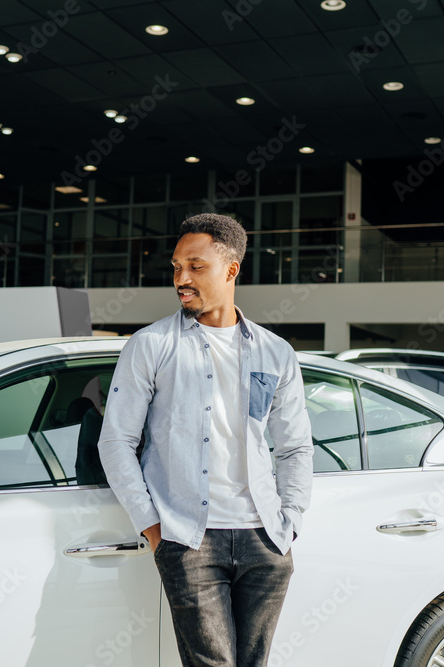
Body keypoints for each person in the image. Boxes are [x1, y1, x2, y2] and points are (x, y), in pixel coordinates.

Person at [98, 213, 314, 667]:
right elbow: (116, 441)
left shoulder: (276, 353)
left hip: (264, 539)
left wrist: (288, 521)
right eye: (177, 267)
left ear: (231, 270)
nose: (182, 279)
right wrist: (156, 530)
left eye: (196, 267)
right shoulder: (151, 345)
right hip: (190, 539)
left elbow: (294, 447)